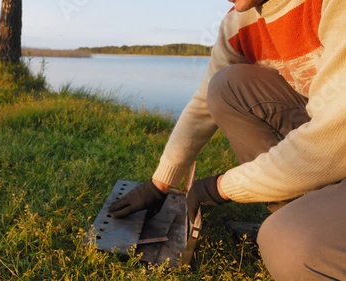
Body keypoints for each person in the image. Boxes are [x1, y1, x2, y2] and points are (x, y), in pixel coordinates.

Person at [108, 0, 346, 279]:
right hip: (326, 136)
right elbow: (202, 105)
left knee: (288, 245)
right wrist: (160, 183)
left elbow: (334, 140)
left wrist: (220, 188)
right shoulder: (237, 23)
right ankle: (294, 214)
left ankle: (304, 234)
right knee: (226, 85)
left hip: (336, 140)